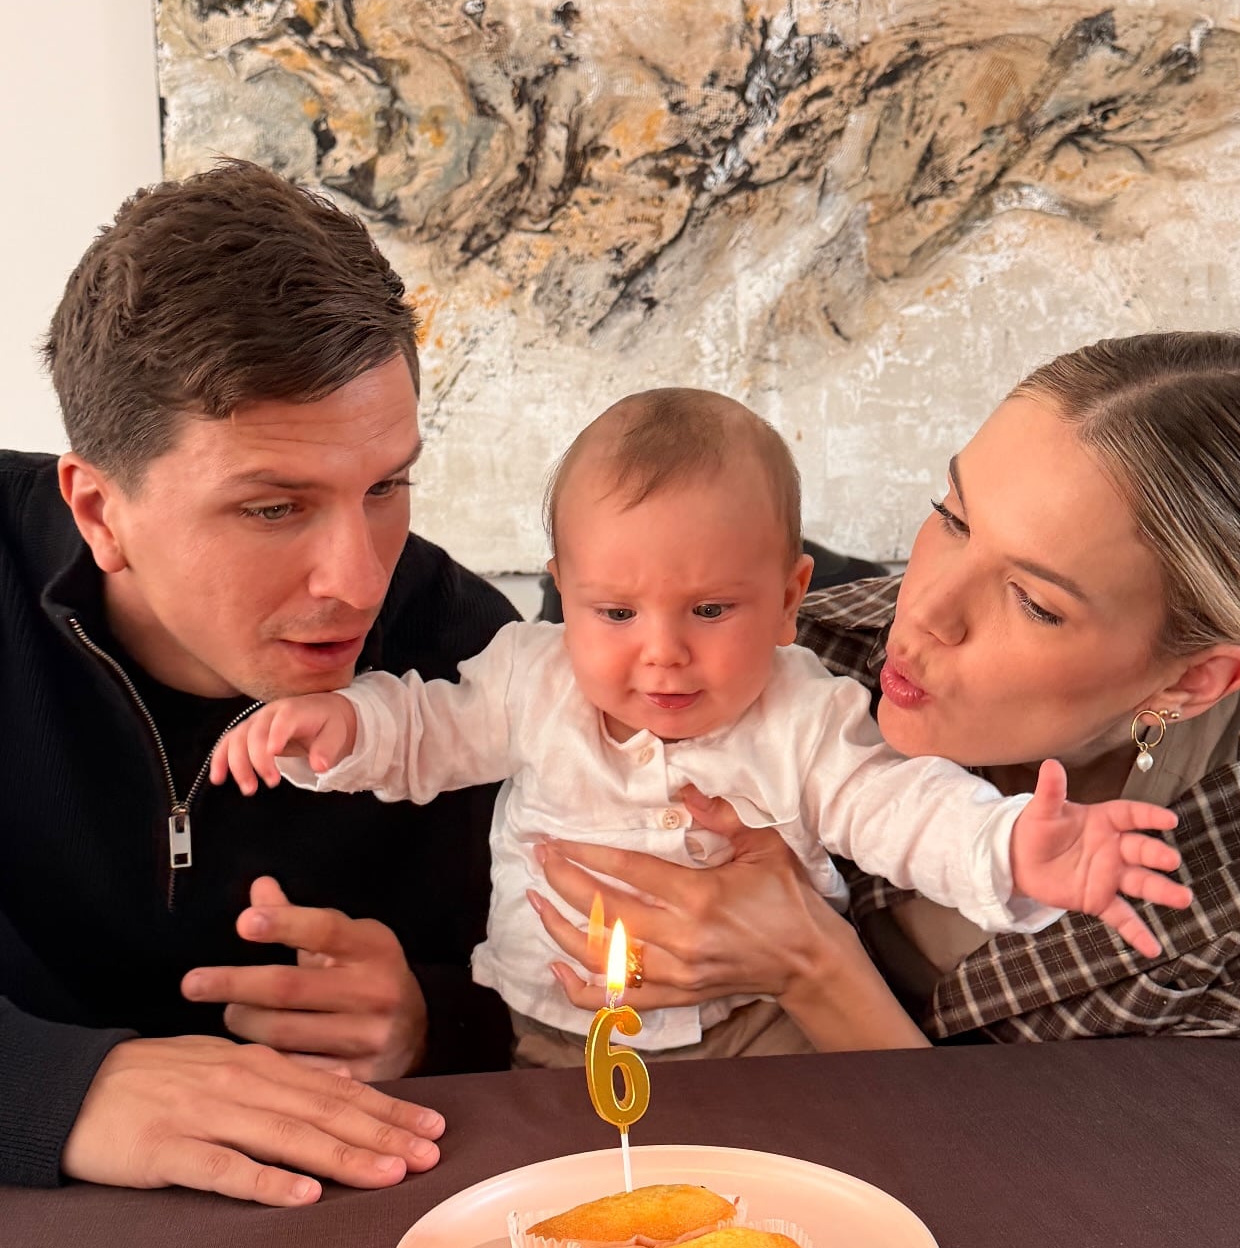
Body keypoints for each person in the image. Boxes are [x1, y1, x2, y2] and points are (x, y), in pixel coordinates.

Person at [213, 388, 1191, 1064]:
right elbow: (431, 730)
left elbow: (906, 807)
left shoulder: (804, 714)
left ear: (787, 598)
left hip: (764, 1028)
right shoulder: (530, 681)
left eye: (712, 612)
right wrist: (340, 725)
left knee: (798, 1182)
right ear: (564, 593)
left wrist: (1017, 845)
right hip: (559, 1027)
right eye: (616, 613)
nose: (662, 654)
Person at [529, 333, 1240, 1046]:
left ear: (1190, 680)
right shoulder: (783, 651)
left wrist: (812, 967)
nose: (924, 613)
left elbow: (1111, 1203)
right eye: (952, 517)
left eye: (1035, 602)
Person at [0, 162, 515, 1199]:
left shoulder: (475, 665)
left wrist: (431, 1018)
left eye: (385, 485)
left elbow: (561, 998)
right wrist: (55, 1088)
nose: (359, 579)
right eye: (275, 508)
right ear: (100, 511)